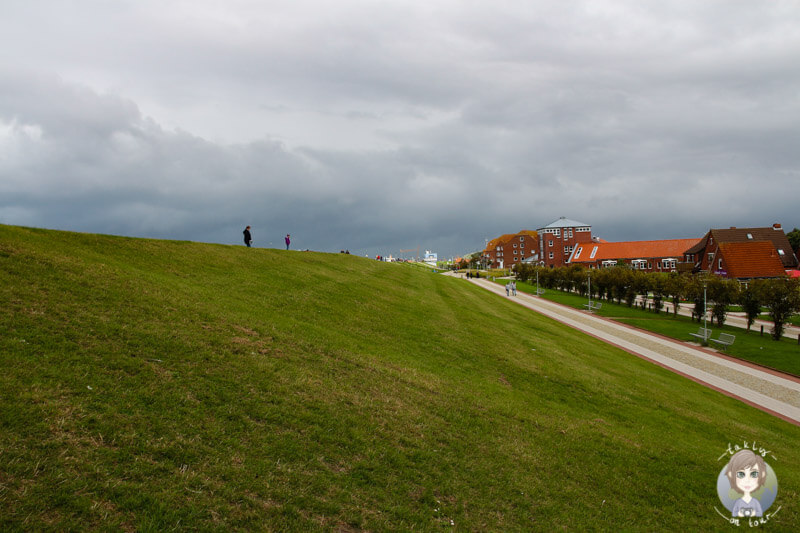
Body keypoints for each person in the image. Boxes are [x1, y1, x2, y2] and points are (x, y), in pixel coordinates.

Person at [725, 449, 767, 517]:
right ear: (731, 475)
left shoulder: (755, 502)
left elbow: (760, 513)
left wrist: (753, 513)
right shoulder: (738, 502)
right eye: (741, 474)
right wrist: (739, 514)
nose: (747, 480)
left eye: (754, 474)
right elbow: (734, 513)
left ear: (762, 475)